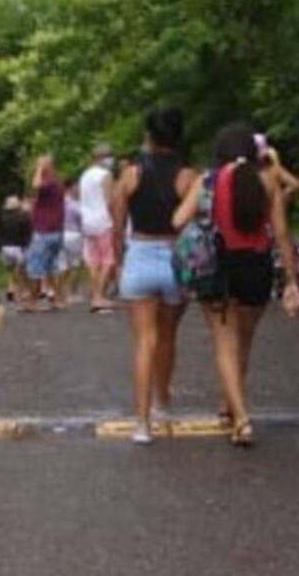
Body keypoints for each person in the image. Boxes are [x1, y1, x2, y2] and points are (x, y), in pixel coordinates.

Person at [173, 122, 299, 446]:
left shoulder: (208, 180)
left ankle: (241, 417)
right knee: (243, 343)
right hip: (256, 267)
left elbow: (177, 220)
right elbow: (282, 234)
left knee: (223, 342)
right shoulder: (268, 179)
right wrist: (291, 280)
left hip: (219, 267)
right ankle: (230, 404)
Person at [110, 106, 195, 445]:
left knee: (144, 341)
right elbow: (189, 224)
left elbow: (117, 225)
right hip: (174, 257)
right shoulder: (188, 176)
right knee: (168, 337)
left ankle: (142, 424)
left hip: (140, 255)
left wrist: (119, 260)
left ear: (149, 136)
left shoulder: (130, 174)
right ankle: (164, 401)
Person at [80, 143, 118, 313]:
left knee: (93, 260)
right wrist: (116, 219)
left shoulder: (85, 175)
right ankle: (98, 297)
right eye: (110, 156)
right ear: (103, 158)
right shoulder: (105, 175)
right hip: (103, 220)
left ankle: (95, 294)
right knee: (108, 260)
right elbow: (110, 201)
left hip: (87, 221)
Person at [25, 156, 66, 313]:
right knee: (51, 268)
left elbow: (35, 185)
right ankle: (57, 299)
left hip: (44, 232)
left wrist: (40, 169)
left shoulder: (47, 183)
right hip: (56, 231)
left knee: (35, 267)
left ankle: (32, 301)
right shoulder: (57, 183)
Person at [0, 195, 32, 304]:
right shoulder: (23, 217)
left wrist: (1, 245)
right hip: (18, 247)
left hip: (5, 247)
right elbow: (27, 233)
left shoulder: (2, 218)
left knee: (9, 270)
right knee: (21, 270)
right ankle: (19, 292)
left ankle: (10, 288)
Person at [60, 180, 85, 305]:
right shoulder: (75, 204)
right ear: (70, 188)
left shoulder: (59, 202)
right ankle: (72, 293)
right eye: (77, 187)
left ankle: (60, 293)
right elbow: (82, 220)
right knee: (76, 265)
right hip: (74, 234)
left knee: (64, 266)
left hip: (61, 234)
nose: (79, 190)